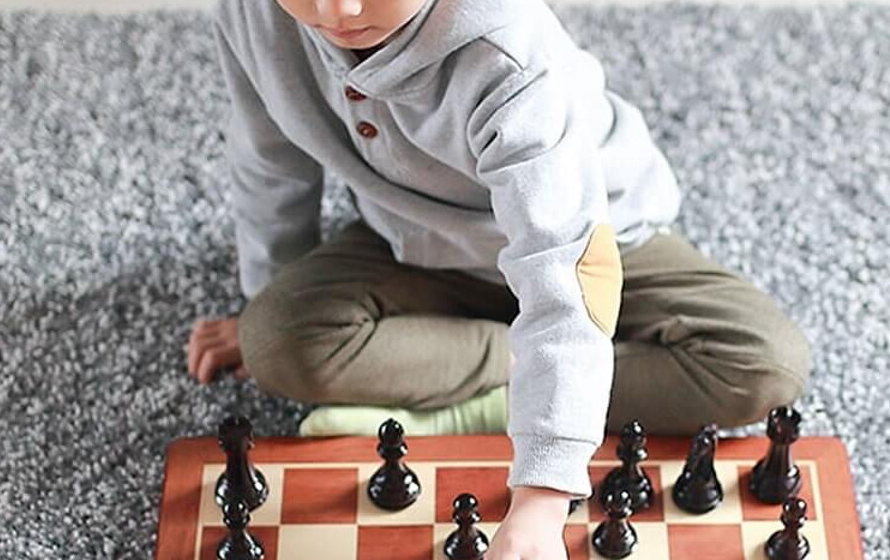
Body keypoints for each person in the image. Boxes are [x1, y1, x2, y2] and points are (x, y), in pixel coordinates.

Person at [188, 0, 812, 557]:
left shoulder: (512, 54)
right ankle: (521, 367)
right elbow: (268, 159)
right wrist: (266, 289)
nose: (335, 8)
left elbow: (565, 269)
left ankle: (485, 395)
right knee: (274, 341)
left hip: (596, 235)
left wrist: (542, 497)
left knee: (764, 365)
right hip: (418, 244)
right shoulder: (252, 11)